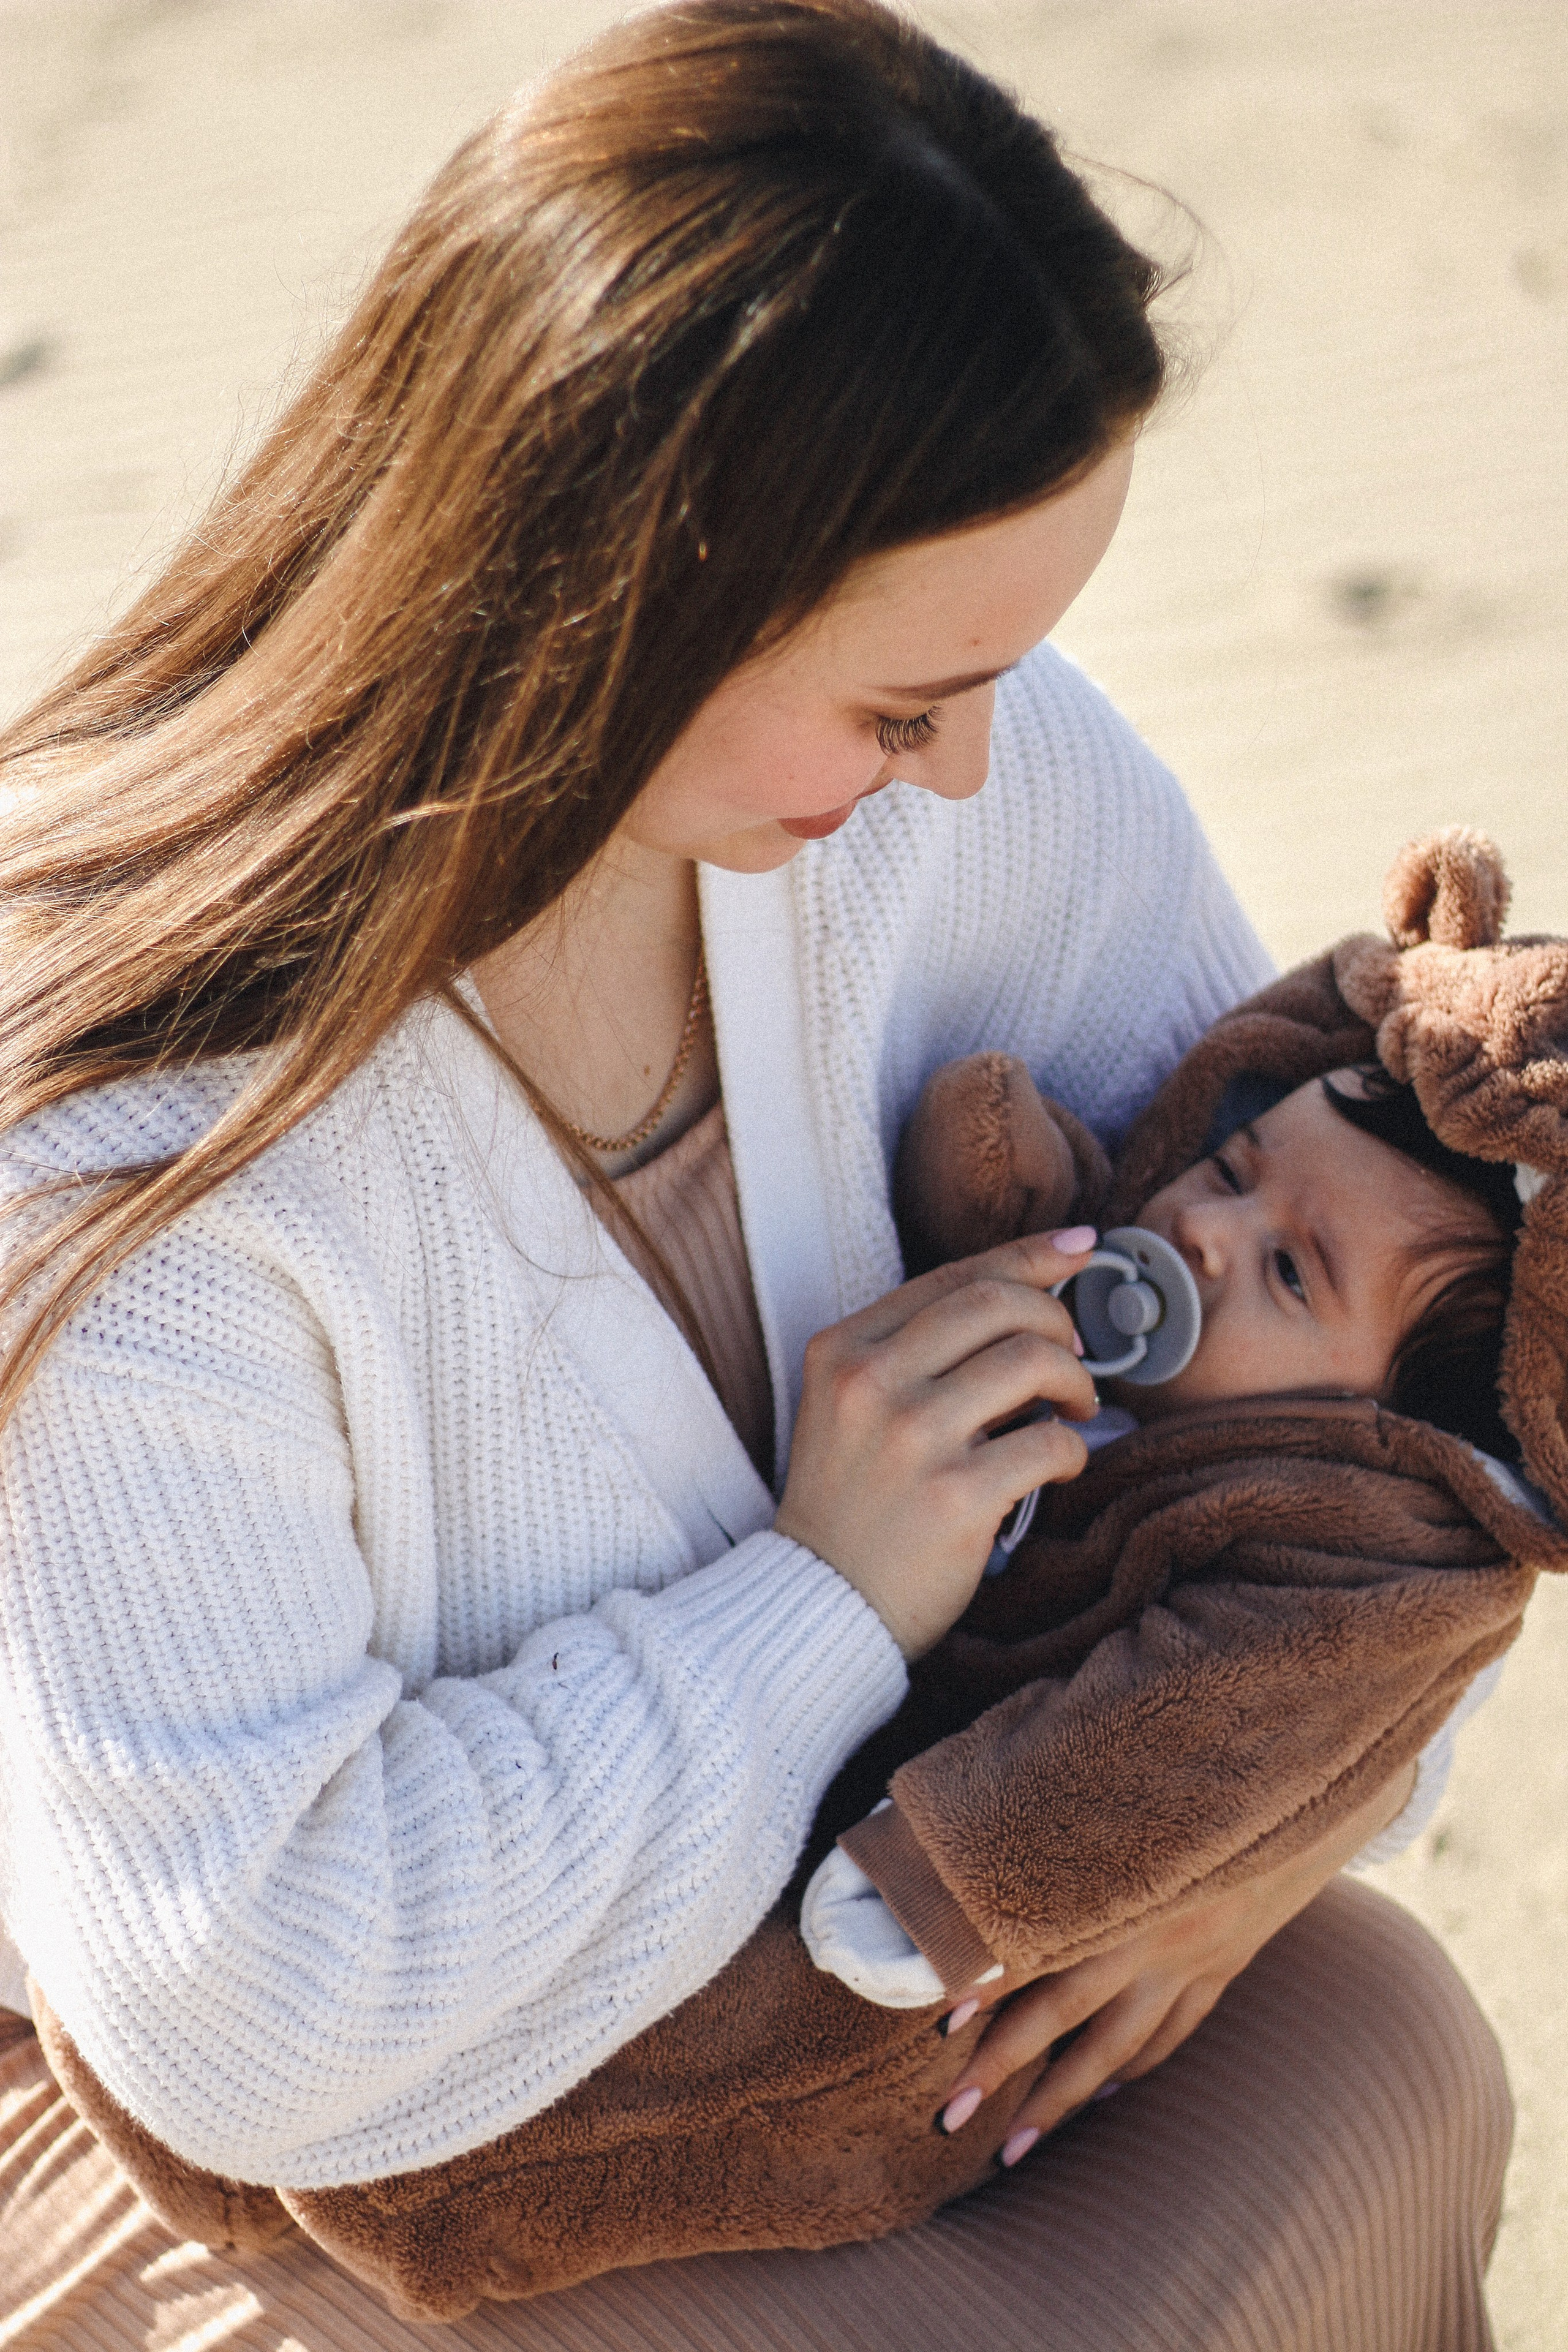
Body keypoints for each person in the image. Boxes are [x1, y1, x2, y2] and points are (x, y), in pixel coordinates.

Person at [0, 2, 1510, 2345]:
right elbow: (246, 2000)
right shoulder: (140, 1156)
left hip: (815, 1994)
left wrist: (1259, 1834)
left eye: (1013, 666)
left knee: (1377, 2042)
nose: (972, 768)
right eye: (903, 700)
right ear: (614, 597)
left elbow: (1411, 1416)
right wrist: (820, 1601)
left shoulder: (947, 789)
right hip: (292, 2158)